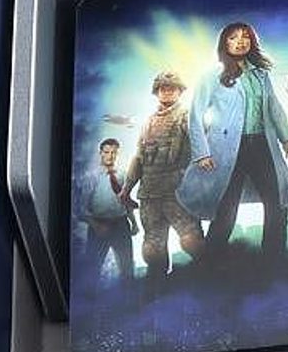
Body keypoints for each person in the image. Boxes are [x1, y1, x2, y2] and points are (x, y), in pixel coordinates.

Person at [180, 22, 288, 260]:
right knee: (226, 206)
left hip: (262, 145)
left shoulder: (261, 74)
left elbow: (273, 107)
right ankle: (211, 260)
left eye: (246, 37)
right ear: (224, 43)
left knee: (276, 202)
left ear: (252, 42)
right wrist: (202, 153)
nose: (240, 41)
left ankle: (274, 258)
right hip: (228, 149)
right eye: (233, 37)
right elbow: (196, 116)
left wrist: (286, 138)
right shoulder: (212, 75)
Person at [123, 71, 203, 275]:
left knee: (192, 241)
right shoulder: (148, 122)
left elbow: (202, 149)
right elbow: (138, 158)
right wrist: (126, 190)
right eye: (162, 88)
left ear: (180, 91)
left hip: (178, 192)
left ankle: (210, 279)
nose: (167, 91)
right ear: (156, 92)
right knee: (152, 250)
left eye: (172, 88)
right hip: (150, 194)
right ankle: (158, 286)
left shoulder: (187, 116)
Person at [79, 138, 135, 280]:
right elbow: (80, 208)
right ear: (101, 153)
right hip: (99, 225)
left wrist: (134, 222)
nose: (110, 156)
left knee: (127, 267)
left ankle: (129, 292)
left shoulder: (122, 175)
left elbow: (125, 201)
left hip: (121, 224)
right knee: (93, 268)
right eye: (107, 152)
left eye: (113, 152)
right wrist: (95, 225)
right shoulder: (91, 177)